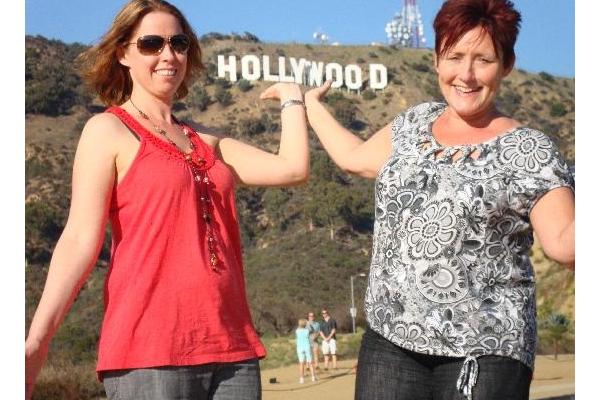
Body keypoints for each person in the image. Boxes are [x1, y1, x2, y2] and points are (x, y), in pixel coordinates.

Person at [24, 1, 309, 399]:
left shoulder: (204, 140)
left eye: (178, 43)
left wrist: (293, 98)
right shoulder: (107, 130)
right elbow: (78, 240)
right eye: (151, 44)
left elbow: (292, 169)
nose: (168, 55)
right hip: (149, 352)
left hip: (233, 349)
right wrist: (38, 339)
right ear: (123, 52)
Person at [304, 0, 574, 399]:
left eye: (483, 59)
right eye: (455, 57)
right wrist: (309, 104)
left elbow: (565, 244)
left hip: (484, 350)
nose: (465, 74)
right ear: (435, 61)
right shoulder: (413, 124)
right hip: (390, 342)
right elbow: (353, 158)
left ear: (507, 65)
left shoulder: (529, 150)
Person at [295, 319, 317, 383]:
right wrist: (309, 323)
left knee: (301, 363)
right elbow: (313, 330)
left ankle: (301, 379)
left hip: (300, 348)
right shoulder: (307, 330)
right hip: (307, 347)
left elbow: (298, 328)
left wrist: (301, 324)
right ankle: (313, 377)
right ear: (305, 324)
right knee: (310, 362)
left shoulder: (297, 331)